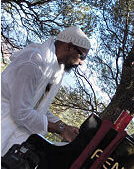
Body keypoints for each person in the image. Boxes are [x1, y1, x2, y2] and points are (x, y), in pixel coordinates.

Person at [1, 26, 91, 157]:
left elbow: (36, 105)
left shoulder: (55, 69)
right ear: (69, 46)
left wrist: (63, 125)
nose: (82, 63)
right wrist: (60, 130)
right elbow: (21, 112)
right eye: (82, 56)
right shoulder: (33, 62)